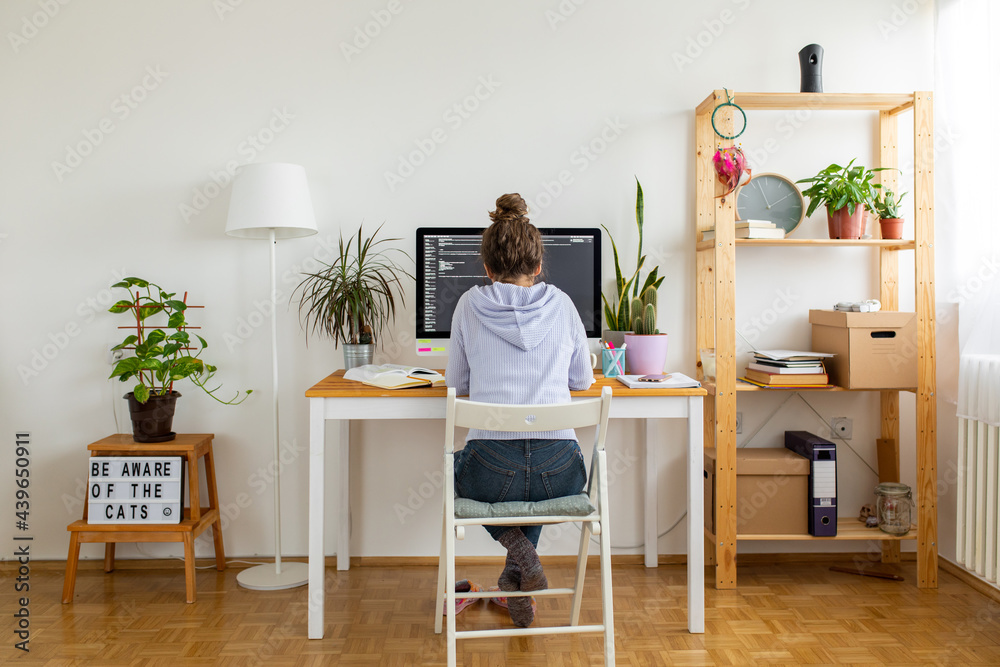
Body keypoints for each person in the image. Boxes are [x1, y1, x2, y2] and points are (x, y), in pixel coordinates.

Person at [446, 193, 595, 627]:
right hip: (560, 474)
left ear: (487, 268)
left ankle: (518, 556)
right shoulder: (564, 305)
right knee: (533, 486)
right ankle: (519, 567)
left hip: (490, 473)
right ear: (538, 267)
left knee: (473, 475)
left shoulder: (469, 307)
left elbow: (456, 387)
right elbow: (583, 382)